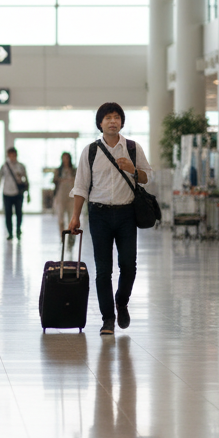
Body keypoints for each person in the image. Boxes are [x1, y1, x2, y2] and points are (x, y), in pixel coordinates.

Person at [67, 102, 152, 336]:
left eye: (116, 117)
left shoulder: (133, 148)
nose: (113, 121)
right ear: (100, 123)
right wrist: (75, 217)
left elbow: (147, 178)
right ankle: (107, 319)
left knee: (129, 266)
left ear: (122, 122)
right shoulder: (90, 151)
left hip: (126, 214)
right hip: (99, 214)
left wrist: (133, 169)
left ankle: (121, 302)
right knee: (103, 270)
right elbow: (81, 186)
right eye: (108, 118)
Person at [0, 147, 30, 240]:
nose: (12, 157)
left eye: (13, 155)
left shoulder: (21, 166)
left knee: (19, 213)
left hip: (18, 193)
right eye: (10, 155)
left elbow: (26, 180)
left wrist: (28, 193)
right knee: (8, 214)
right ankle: (10, 232)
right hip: (7, 193)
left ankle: (18, 229)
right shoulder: (4, 166)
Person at [52, 151, 77, 235]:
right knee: (61, 217)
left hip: (71, 196)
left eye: (67, 158)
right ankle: (62, 235)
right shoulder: (58, 171)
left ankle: (70, 235)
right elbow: (54, 180)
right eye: (64, 158)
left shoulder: (74, 170)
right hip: (61, 195)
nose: (65, 160)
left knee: (71, 216)